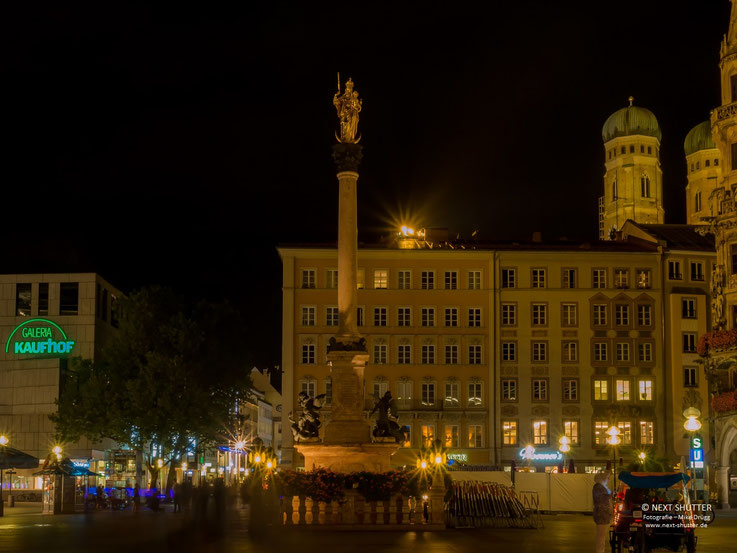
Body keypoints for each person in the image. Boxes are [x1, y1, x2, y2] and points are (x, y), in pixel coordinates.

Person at [593, 471, 613, 553]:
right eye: (607, 478)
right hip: (601, 514)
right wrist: (612, 494)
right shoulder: (598, 487)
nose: (608, 480)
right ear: (602, 479)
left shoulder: (601, 487)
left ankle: (601, 550)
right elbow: (605, 497)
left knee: (602, 536)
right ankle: (600, 551)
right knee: (601, 536)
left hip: (603, 514)